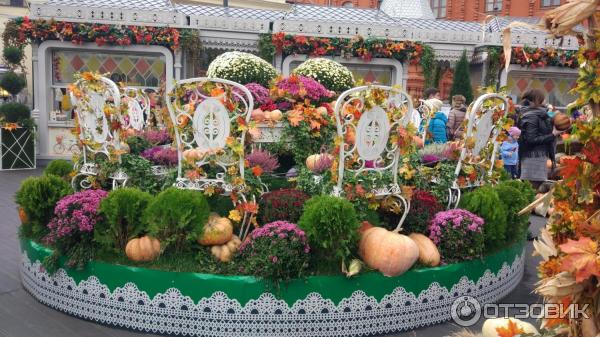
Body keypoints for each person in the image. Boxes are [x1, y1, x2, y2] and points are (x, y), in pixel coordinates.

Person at [517, 89, 563, 190]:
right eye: (543, 98)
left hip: (537, 157)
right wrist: (553, 134)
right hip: (533, 159)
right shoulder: (531, 116)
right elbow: (531, 139)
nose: (545, 101)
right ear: (536, 100)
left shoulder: (538, 114)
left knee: (535, 187)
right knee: (533, 187)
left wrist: (554, 118)